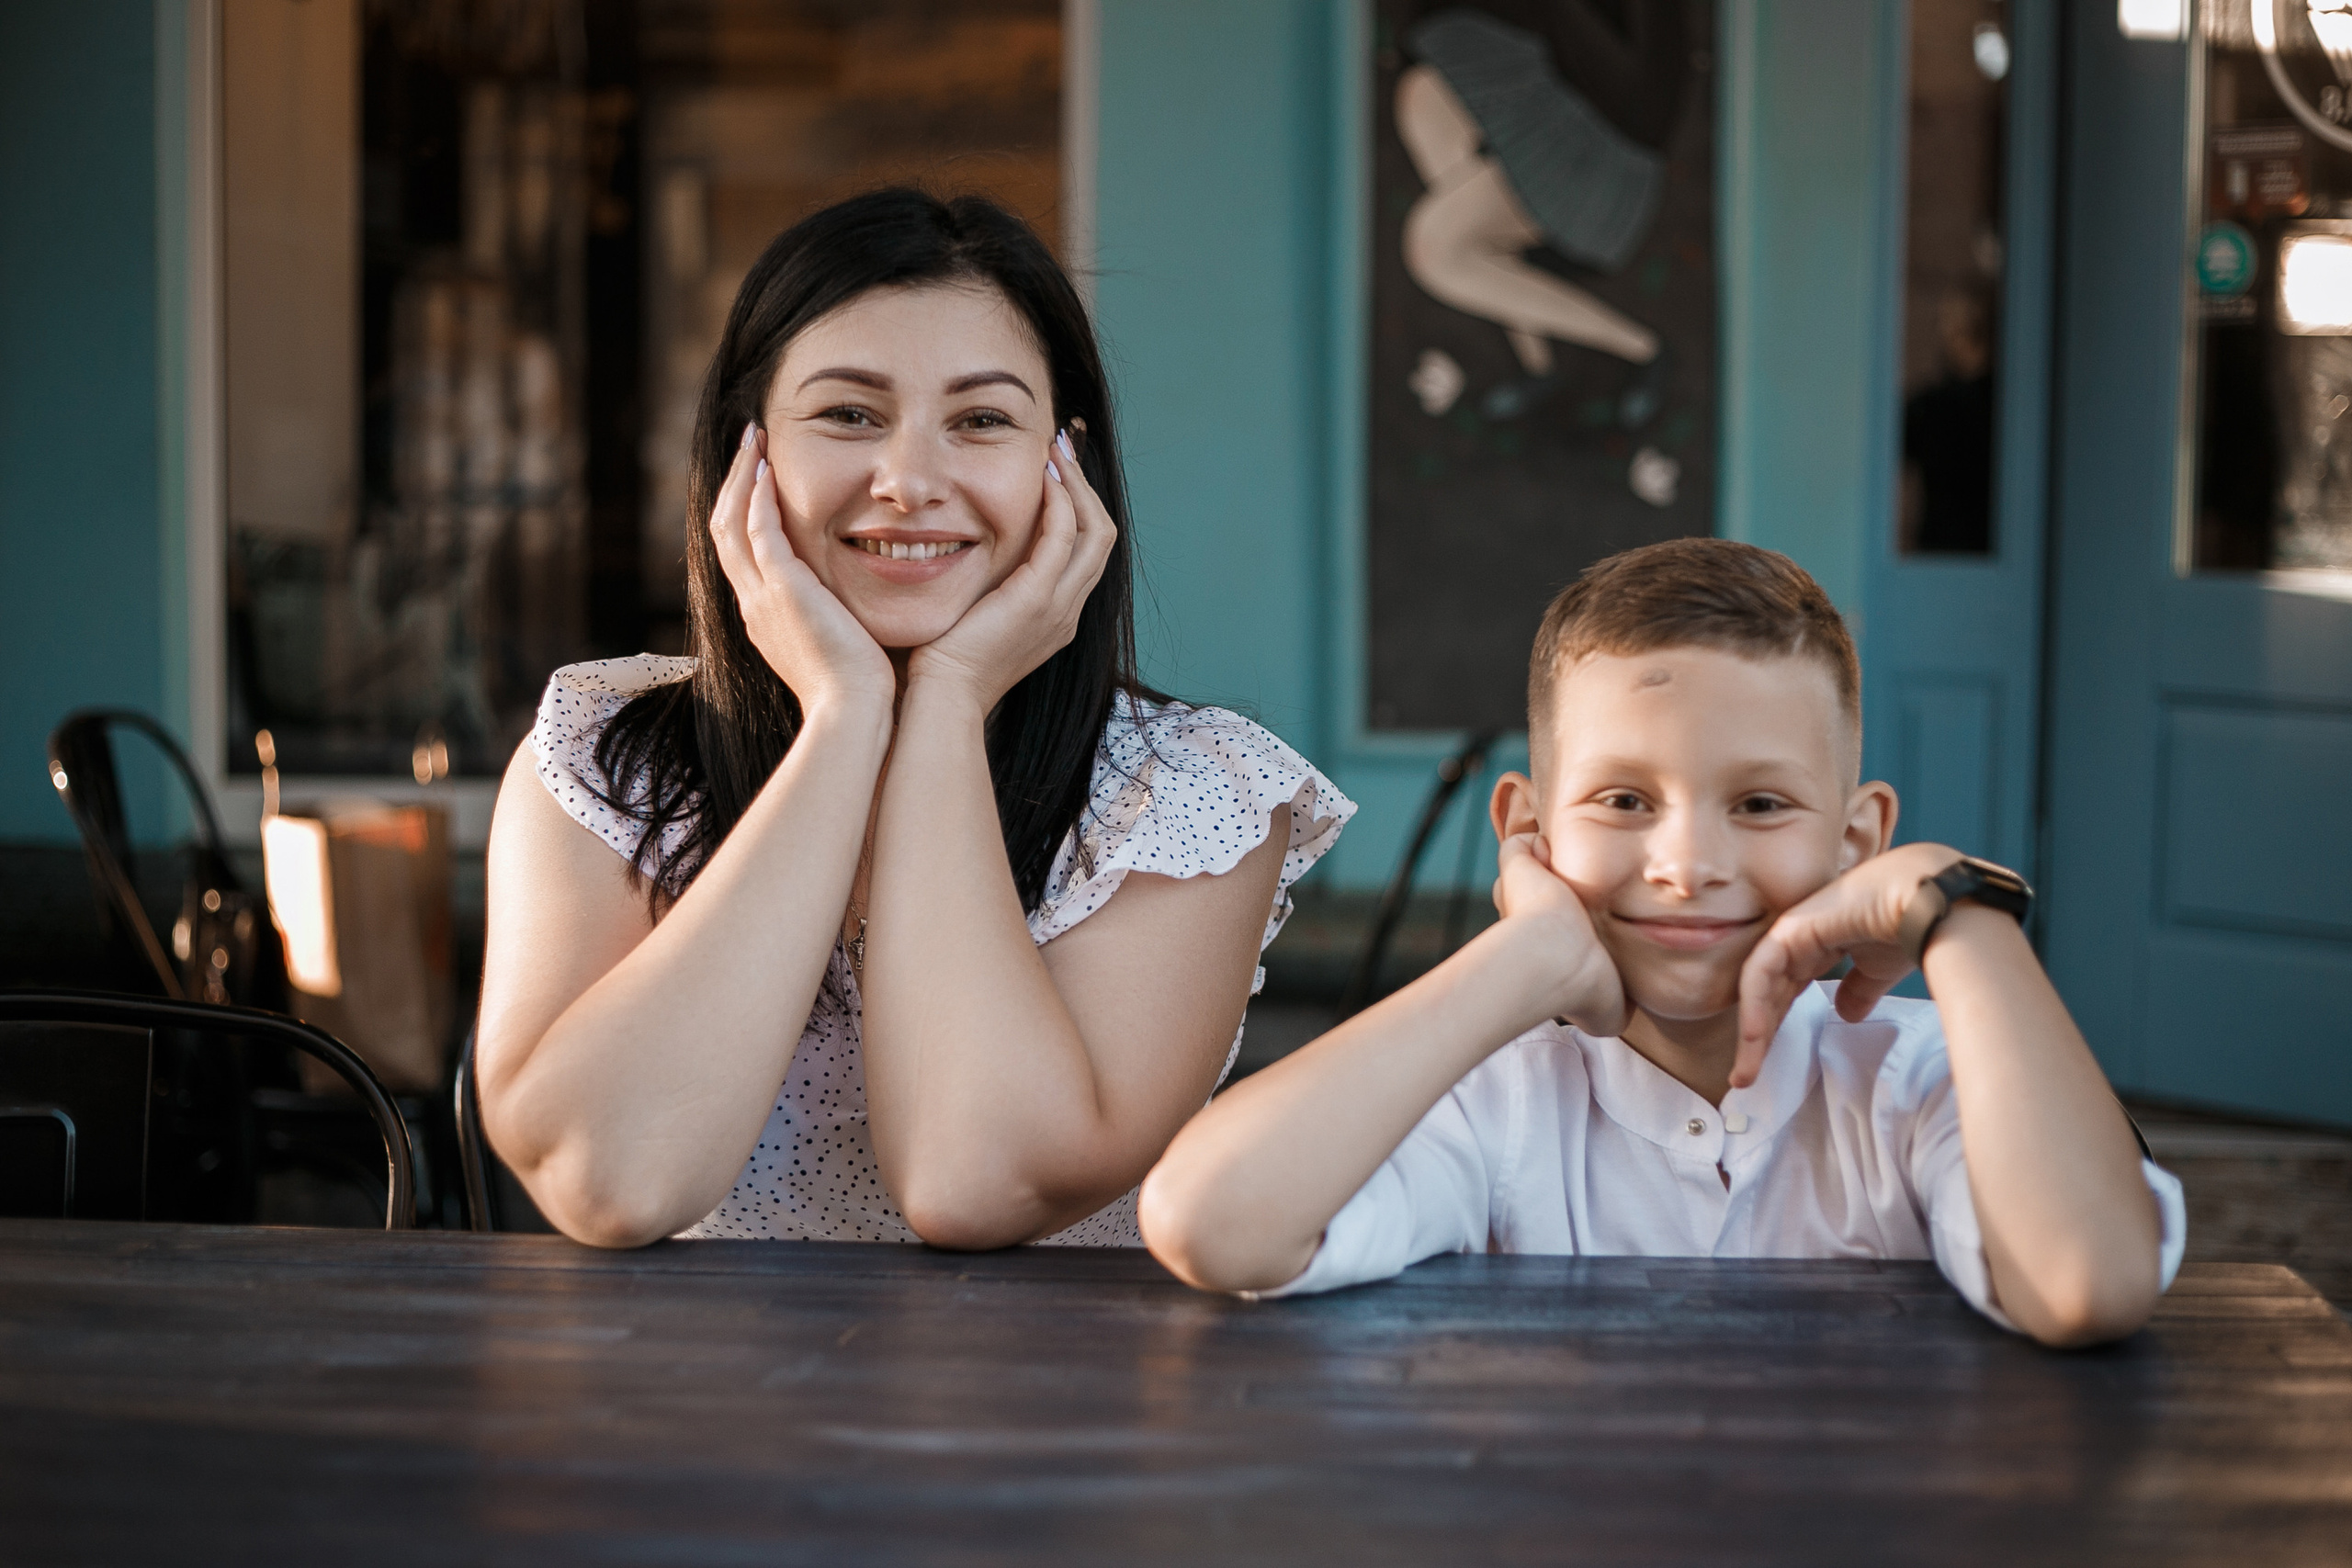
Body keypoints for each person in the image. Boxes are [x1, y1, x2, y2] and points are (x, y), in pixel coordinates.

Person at [477, 189, 1352, 1249]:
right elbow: (608, 1181)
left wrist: (945, 704)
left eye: (981, 420)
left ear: (1061, 464)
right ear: (744, 453)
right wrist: (841, 719)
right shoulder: (607, 756)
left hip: (1055, 1408)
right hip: (681, 1403)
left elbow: (971, 1181)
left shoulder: (1191, 799)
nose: (909, 483)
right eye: (849, 414)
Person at [1140, 538, 2183, 1347]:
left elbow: (2085, 1285)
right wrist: (1522, 959)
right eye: (1626, 798)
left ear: (1856, 840)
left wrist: (1959, 912)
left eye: (1762, 802)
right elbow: (1208, 1221)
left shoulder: (1917, 1082)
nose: (1686, 864)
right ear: (1526, 833)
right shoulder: (1488, 1100)